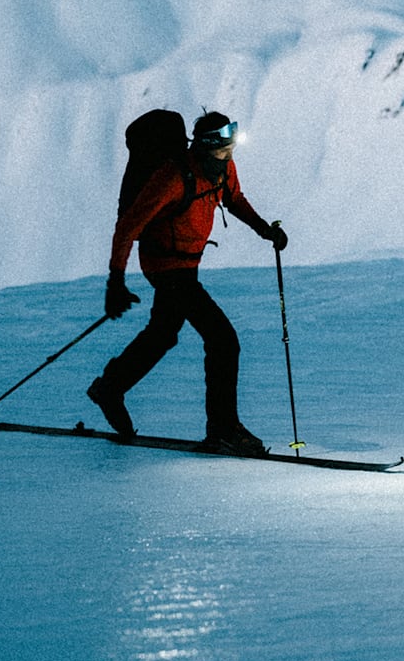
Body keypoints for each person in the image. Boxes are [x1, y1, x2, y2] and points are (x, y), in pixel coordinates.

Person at [87, 110, 287, 456]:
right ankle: (223, 429)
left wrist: (264, 229)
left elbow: (233, 198)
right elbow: (128, 226)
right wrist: (115, 281)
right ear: (206, 148)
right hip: (164, 266)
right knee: (223, 340)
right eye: (223, 152)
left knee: (164, 333)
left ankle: (110, 387)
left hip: (187, 265)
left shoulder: (222, 168)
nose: (229, 159)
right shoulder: (173, 177)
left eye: (231, 151)